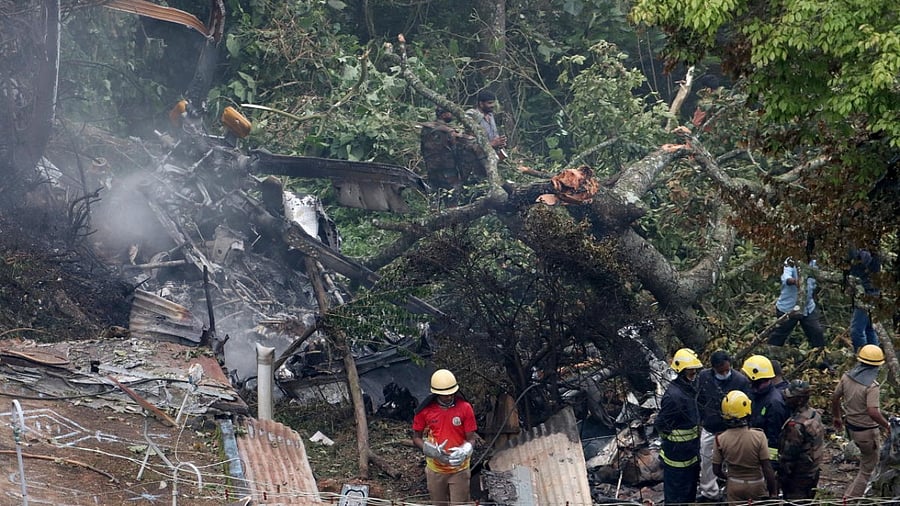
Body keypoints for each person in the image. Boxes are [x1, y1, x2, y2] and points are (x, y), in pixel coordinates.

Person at [831, 344, 891, 499]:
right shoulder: (872, 386)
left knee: (866, 461)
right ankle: (850, 497)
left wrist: (836, 416)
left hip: (852, 428)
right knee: (868, 468)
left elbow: (835, 397)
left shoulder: (846, 377)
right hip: (866, 432)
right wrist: (887, 425)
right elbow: (873, 411)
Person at [412, 369, 478, 505]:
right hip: (435, 469)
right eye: (444, 395)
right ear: (436, 393)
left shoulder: (465, 408)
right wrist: (430, 450)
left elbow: (471, 438)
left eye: (451, 394)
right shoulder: (425, 411)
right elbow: (416, 437)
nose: (449, 397)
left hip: (459, 469)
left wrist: (466, 450)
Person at [695, 350, 751, 502]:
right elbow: (699, 399)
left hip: (732, 429)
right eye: (721, 371)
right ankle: (709, 493)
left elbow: (747, 405)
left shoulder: (741, 381)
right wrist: (703, 418)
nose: (725, 373)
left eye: (727, 370)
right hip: (710, 427)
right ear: (713, 368)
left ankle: (731, 491)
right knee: (706, 460)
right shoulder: (704, 377)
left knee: (734, 462)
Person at [655, 348, 702, 505]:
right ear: (681, 371)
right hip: (676, 459)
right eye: (690, 372)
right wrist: (671, 442)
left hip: (690, 454)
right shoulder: (674, 396)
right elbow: (661, 425)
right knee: (675, 498)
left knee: (689, 495)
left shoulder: (689, 390)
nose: (693, 375)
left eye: (694, 371)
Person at [713, 390, 779, 502]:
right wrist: (773, 493)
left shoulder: (720, 439)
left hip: (734, 485)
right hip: (757, 485)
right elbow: (767, 467)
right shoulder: (759, 436)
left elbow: (716, 470)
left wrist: (729, 477)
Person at [769, 257, 828, 356]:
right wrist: (796, 281)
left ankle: (822, 361)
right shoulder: (791, 260)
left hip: (808, 307)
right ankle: (769, 358)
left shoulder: (814, 262)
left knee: (817, 333)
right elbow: (785, 278)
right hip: (788, 308)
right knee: (779, 336)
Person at [778, 380, 825, 500]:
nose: (786, 399)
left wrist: (781, 477)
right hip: (812, 471)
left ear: (799, 400)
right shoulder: (814, 415)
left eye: (790, 397)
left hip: (798, 477)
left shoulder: (795, 425)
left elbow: (789, 458)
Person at [742, 354, 789, 472]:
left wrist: (770, 468)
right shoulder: (754, 393)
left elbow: (775, 439)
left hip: (765, 461)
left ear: (755, 378)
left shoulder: (774, 403)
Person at [847, 247, 881, 351]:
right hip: (867, 289)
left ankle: (865, 359)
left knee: (857, 330)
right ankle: (874, 359)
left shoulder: (865, 244)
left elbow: (865, 259)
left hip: (868, 291)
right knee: (868, 328)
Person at [465, 90, 507, 156]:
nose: (492, 105)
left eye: (493, 103)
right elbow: (467, 143)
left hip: (490, 156)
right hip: (475, 158)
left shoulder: (491, 115)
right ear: (481, 104)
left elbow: (494, 135)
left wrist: (500, 142)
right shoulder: (472, 115)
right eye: (489, 103)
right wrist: (491, 144)